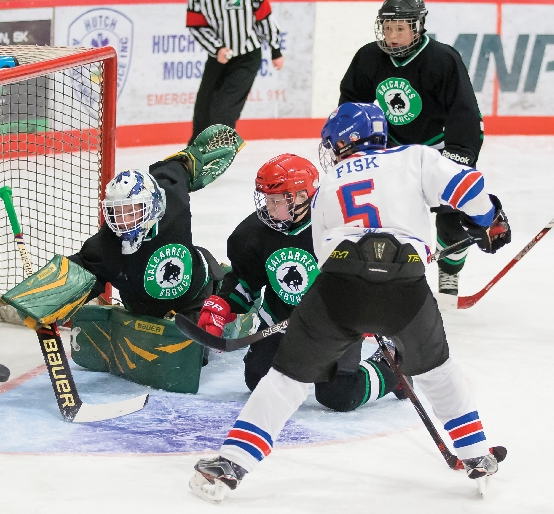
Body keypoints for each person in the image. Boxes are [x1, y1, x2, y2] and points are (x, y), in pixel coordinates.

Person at [188, 103, 510, 503]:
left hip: (339, 292)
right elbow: (471, 190)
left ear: (347, 142)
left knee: (286, 380)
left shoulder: (329, 183)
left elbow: (325, 255)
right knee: (437, 372)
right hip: (404, 286)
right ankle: (476, 455)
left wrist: (361, 298)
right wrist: (489, 221)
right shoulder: (416, 157)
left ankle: (232, 462)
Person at [197, 153, 403, 412]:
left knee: (339, 394)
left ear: (303, 197)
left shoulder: (338, 227)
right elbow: (245, 280)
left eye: (277, 200)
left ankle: (390, 364)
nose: (269, 208)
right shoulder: (253, 233)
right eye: (267, 200)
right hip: (280, 321)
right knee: (259, 381)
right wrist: (223, 304)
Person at [4, 124, 244, 331]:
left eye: (132, 210)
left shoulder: (171, 196)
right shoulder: (106, 244)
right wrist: (43, 300)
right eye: (116, 211)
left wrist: (194, 159)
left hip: (193, 296)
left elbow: (178, 167)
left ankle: (222, 284)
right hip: (142, 309)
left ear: (152, 205)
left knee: (190, 356)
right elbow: (83, 270)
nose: (123, 220)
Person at [338, 0, 483, 296]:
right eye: (388, 27)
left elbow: (464, 112)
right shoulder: (369, 57)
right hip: (394, 150)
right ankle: (388, 272)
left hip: (438, 150)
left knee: (452, 220)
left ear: (417, 27)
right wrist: (349, 140)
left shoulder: (443, 59)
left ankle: (450, 271)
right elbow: (352, 102)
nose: (392, 36)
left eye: (400, 29)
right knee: (387, 215)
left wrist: (460, 156)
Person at [186, 0, 284, 145]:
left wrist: (275, 50)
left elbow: (265, 18)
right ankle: (193, 157)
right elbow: (196, 25)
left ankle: (219, 156)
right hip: (218, 58)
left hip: (247, 57)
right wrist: (217, 48)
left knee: (223, 110)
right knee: (203, 109)